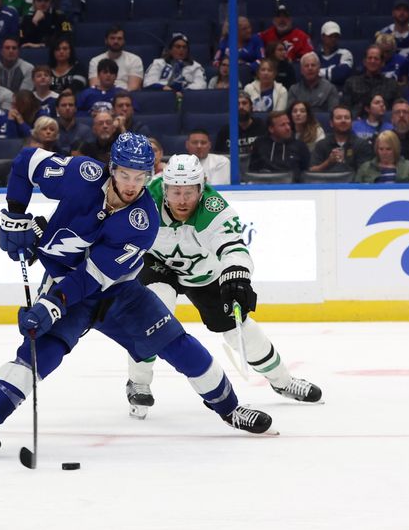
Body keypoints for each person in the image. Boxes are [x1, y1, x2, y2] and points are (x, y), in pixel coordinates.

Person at [0, 134, 275, 458]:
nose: (132, 185)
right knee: (41, 351)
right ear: (111, 168)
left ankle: (230, 409)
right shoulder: (80, 174)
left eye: (140, 177)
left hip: (119, 293)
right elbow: (25, 163)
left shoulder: (143, 221)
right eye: (124, 175)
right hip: (65, 283)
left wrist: (51, 304)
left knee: (179, 344)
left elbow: (92, 276)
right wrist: (15, 214)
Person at [124, 153, 322, 418]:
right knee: (154, 314)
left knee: (240, 330)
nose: (182, 201)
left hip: (203, 274)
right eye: (175, 192)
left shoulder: (215, 209)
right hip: (157, 263)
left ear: (202, 188)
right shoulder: (146, 197)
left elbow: (234, 249)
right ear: (165, 187)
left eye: (189, 193)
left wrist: (237, 276)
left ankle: (283, 381)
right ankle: (138, 382)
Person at [310, 104, 373, 176]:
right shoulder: (322, 144)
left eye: (347, 118)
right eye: (338, 118)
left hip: (353, 185)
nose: (343, 120)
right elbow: (312, 171)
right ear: (331, 123)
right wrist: (328, 162)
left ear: (352, 122)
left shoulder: (362, 144)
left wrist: (344, 163)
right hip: (326, 184)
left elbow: (365, 173)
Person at [248, 110, 311, 180]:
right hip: (265, 186)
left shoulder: (300, 146)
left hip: (292, 188)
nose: (288, 128)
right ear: (271, 129)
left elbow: (306, 175)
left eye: (288, 124)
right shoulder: (260, 144)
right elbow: (252, 172)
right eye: (283, 125)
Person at [342, 45, 400, 118]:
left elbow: (397, 109)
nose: (372, 61)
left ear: (382, 63)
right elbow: (344, 109)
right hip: (356, 123)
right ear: (364, 62)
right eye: (369, 58)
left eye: (376, 59)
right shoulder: (351, 83)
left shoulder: (392, 85)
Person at [88, 24, 143, 91]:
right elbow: (94, 87)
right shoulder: (95, 61)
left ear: (124, 41)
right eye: (112, 38)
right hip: (102, 97)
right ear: (106, 40)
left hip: (125, 97)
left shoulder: (134, 60)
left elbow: (133, 88)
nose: (116, 41)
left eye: (119, 38)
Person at [286, 52, 339, 117]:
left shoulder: (330, 88)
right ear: (301, 70)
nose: (310, 68)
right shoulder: (294, 90)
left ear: (319, 69)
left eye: (313, 65)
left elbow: (334, 114)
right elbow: (290, 114)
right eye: (306, 66)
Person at [215, 91, 267, 155]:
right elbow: (218, 156)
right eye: (237, 104)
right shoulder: (225, 131)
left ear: (251, 107)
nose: (241, 107)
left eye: (244, 103)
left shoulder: (262, 126)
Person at [317, 21, 353, 89]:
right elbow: (307, 76)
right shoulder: (314, 56)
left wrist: (317, 73)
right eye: (330, 36)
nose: (333, 39)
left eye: (336, 36)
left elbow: (341, 74)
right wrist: (333, 70)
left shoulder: (345, 54)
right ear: (323, 37)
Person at [55, 89, 90, 155]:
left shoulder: (85, 130)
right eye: (64, 105)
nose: (67, 108)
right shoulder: (51, 129)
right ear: (57, 109)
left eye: (71, 105)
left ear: (76, 108)